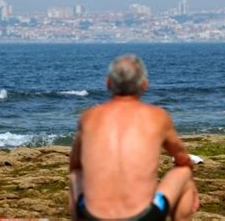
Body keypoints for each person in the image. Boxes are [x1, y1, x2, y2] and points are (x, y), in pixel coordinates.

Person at [70, 54, 199, 220]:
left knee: (75, 175)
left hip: (93, 217)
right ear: (144, 85)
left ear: (108, 83)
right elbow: (182, 158)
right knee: (184, 172)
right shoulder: (157, 116)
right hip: (143, 216)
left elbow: (74, 164)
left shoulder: (89, 117)